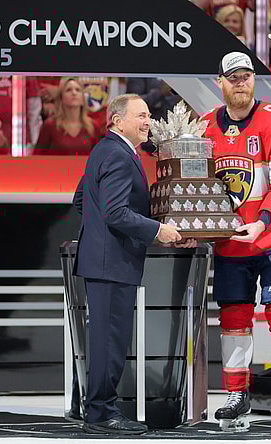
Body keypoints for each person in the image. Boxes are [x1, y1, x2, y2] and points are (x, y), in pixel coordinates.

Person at [72, 93, 192, 435]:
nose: (148, 121)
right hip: (111, 264)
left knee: (108, 341)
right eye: (141, 115)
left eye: (149, 115)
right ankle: (100, 414)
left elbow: (81, 199)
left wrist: (99, 234)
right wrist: (159, 230)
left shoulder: (106, 150)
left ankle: (99, 410)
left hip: (105, 261)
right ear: (117, 120)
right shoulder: (119, 155)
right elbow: (114, 212)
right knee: (110, 342)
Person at [203, 52, 271, 434]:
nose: (241, 82)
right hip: (232, 241)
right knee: (233, 318)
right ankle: (236, 395)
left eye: (247, 76)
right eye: (233, 77)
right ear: (220, 83)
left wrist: (262, 222)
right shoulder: (202, 128)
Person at [35, 78, 105, 155]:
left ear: (83, 99)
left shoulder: (93, 127)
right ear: (61, 98)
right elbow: (36, 157)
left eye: (78, 90)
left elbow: (100, 158)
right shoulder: (50, 125)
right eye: (68, 90)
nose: (74, 93)